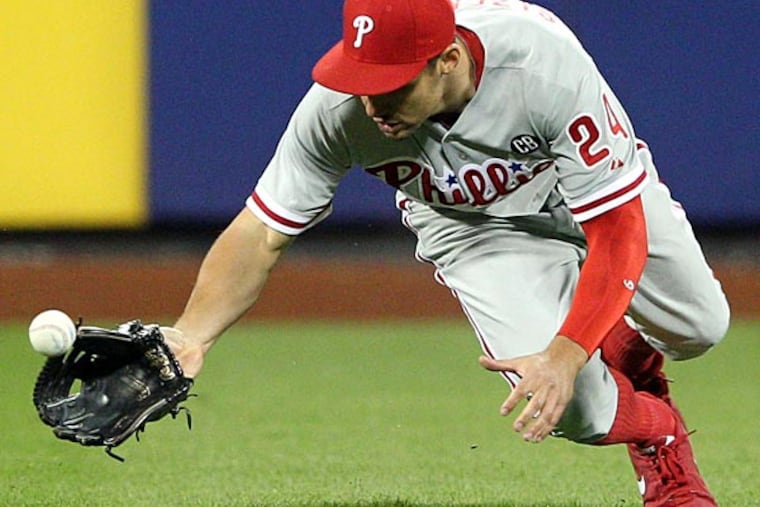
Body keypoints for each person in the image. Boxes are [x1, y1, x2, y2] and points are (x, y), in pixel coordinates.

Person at [163, 1, 730, 505]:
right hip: (475, 231)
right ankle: (659, 432)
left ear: (448, 60)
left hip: (578, 190)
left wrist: (569, 348)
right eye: (363, 80)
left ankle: (618, 346)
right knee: (572, 407)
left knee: (699, 326)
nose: (373, 104)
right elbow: (262, 231)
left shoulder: (539, 64)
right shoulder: (337, 110)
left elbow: (615, 227)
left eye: (392, 85)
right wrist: (191, 335)